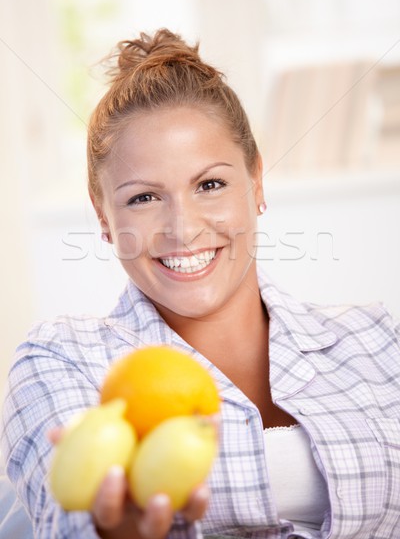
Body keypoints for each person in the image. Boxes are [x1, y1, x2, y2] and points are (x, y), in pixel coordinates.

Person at [1, 28, 400, 539]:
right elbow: (70, 520)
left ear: (256, 182)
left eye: (210, 184)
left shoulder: (374, 339)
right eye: (143, 198)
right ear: (103, 215)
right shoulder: (62, 360)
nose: (183, 228)